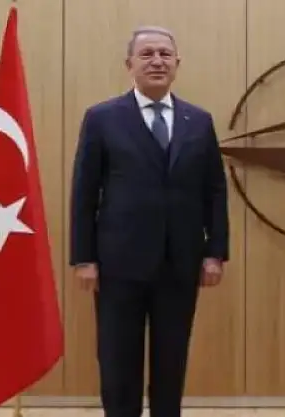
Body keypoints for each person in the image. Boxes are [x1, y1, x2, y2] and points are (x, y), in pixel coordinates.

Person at [69, 26, 229, 417]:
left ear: (177, 63)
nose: (157, 61)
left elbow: (214, 191)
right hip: (118, 263)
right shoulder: (102, 118)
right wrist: (84, 258)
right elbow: (84, 193)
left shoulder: (198, 120)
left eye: (164, 54)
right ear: (129, 64)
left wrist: (215, 252)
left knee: (171, 361)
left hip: (180, 262)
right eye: (147, 54)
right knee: (118, 362)